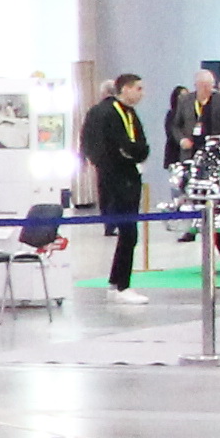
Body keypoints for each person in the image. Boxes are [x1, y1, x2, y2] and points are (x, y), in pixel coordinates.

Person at [82, 71, 154, 292]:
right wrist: (122, 156)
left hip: (130, 175)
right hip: (115, 178)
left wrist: (132, 152)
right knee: (128, 231)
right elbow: (98, 146)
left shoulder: (130, 113)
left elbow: (141, 146)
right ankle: (122, 285)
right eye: (138, 88)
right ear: (126, 88)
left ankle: (117, 280)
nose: (142, 93)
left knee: (129, 233)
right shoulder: (103, 112)